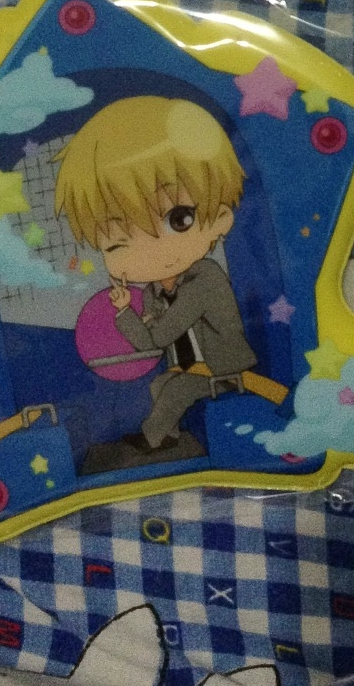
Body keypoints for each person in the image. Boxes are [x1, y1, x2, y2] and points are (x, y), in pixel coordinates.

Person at [54, 95, 257, 470]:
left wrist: (144, 322)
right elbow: (148, 340)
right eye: (118, 243)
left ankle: (150, 441)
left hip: (225, 369)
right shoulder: (151, 290)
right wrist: (123, 310)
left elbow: (160, 334)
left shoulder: (206, 278)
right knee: (159, 385)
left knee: (176, 389)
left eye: (179, 219)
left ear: (220, 219)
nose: (151, 248)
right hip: (191, 370)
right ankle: (168, 437)